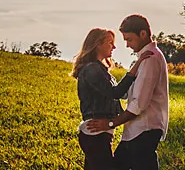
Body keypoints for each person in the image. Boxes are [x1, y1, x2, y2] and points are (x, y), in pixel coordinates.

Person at [87, 14, 169, 170]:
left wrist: (110, 123)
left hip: (144, 130)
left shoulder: (150, 59)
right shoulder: (145, 59)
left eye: (129, 39)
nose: (127, 45)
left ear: (143, 34)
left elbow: (139, 104)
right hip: (136, 131)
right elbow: (127, 93)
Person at [70, 28, 144, 170]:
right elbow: (115, 92)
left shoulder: (102, 70)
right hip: (95, 134)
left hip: (100, 135)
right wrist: (137, 65)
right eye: (110, 43)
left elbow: (122, 94)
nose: (114, 47)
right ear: (98, 44)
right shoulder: (92, 69)